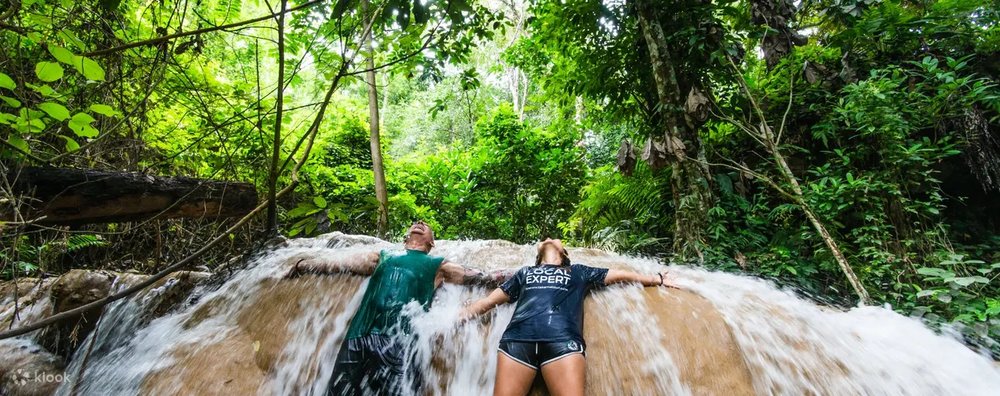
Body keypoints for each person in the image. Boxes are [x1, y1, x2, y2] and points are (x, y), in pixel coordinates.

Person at [286, 221, 508, 396]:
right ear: (405, 239)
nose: (419, 222)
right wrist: (303, 265)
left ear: (432, 243)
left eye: (426, 226)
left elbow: (482, 277)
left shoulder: (438, 265)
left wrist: (519, 276)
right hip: (359, 336)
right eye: (416, 223)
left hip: (400, 342)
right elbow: (338, 265)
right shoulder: (383, 256)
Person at [460, 238, 678, 396]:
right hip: (517, 341)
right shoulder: (525, 272)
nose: (548, 238)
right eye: (545, 239)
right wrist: (455, 319)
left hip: (562, 342)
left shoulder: (578, 271)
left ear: (564, 253)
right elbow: (488, 302)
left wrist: (656, 278)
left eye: (554, 238)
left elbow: (619, 275)